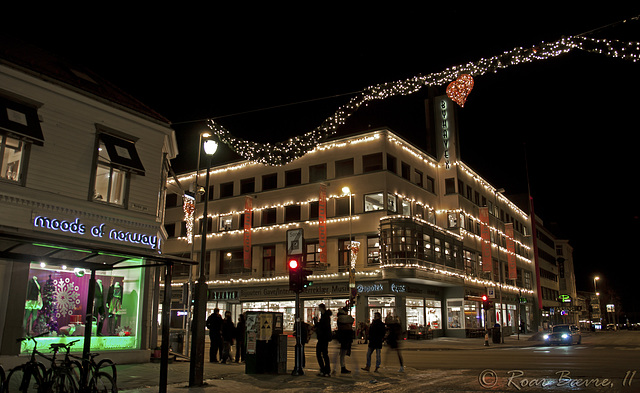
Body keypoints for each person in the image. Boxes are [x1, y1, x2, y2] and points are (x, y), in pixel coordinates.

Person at [314, 303, 332, 377]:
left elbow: (323, 326)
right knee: (323, 354)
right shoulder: (325, 316)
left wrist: (316, 323)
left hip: (323, 337)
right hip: (324, 337)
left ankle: (325, 369)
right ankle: (325, 369)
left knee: (321, 354)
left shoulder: (325, 316)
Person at [336, 307, 354, 374]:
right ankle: (342, 367)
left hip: (343, 336)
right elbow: (351, 320)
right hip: (345, 336)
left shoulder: (340, 318)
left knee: (342, 353)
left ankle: (343, 367)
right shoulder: (343, 318)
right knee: (343, 353)